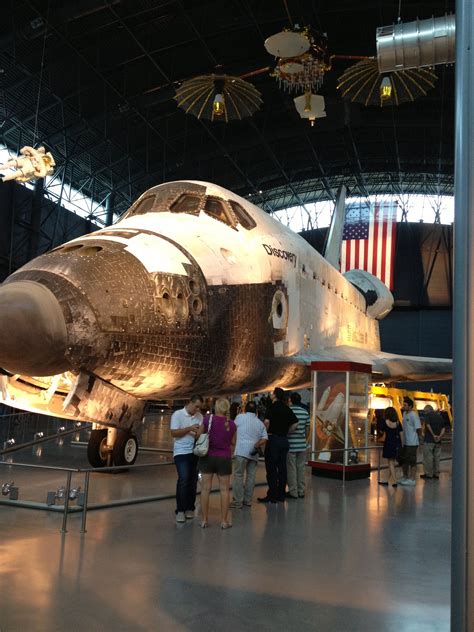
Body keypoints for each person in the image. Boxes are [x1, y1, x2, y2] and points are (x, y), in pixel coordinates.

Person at [196, 398, 236, 528]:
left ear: (216, 407)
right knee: (224, 490)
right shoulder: (232, 424)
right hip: (224, 458)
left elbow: (199, 435)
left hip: (208, 457)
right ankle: (224, 521)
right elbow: (233, 442)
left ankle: (204, 520)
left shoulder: (208, 419)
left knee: (205, 489)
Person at [258, 387, 298, 504]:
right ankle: (281, 494)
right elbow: (295, 423)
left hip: (273, 439)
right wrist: (287, 431)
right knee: (282, 468)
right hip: (284, 440)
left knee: (271, 468)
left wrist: (264, 434)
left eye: (272, 393)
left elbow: (267, 422)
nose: (270, 394)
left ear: (275, 395)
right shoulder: (286, 408)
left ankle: (272, 495)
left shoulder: (271, 407)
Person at [170, 394, 203, 523]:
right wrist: (189, 428)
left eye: (199, 408)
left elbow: (199, 434)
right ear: (190, 403)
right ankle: (180, 510)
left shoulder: (199, 417)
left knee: (193, 480)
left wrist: (199, 432)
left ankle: (190, 507)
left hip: (194, 451)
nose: (197, 410)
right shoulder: (177, 415)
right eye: (196, 407)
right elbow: (174, 433)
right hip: (181, 452)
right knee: (183, 479)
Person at [230, 401, 268, 509]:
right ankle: (247, 501)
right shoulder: (259, 423)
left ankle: (237, 502)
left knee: (238, 476)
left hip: (241, 451)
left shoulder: (239, 417)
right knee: (251, 477)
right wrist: (257, 444)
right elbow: (265, 438)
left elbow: (232, 429)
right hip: (253, 453)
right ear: (256, 411)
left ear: (245, 409)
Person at [287, 392, 310, 499]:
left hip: (290, 444)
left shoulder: (288, 411)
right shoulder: (305, 412)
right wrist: (303, 439)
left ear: (290, 400)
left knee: (291, 468)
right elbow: (307, 430)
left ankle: (293, 491)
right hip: (302, 445)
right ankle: (301, 491)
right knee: (301, 468)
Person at [399, 396, 422, 487]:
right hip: (405, 442)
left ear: (410, 406)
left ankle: (412, 479)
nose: (403, 406)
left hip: (412, 442)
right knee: (404, 460)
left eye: (405, 405)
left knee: (412, 461)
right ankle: (405, 476)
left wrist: (419, 441)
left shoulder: (414, 415)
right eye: (403, 404)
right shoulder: (404, 414)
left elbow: (418, 429)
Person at [378, 406, 403, 487]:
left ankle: (395, 481)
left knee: (390, 462)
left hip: (388, 443)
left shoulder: (385, 422)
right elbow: (401, 434)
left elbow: (381, 431)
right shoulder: (397, 423)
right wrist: (402, 445)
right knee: (391, 462)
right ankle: (386, 480)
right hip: (396, 443)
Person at [421, 404, 446, 480]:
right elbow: (443, 428)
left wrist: (433, 435)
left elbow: (428, 426)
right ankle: (436, 474)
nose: (424, 413)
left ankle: (429, 474)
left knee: (428, 457)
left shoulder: (427, 416)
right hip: (438, 441)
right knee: (437, 458)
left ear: (428, 410)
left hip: (429, 440)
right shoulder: (439, 416)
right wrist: (439, 436)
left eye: (425, 411)